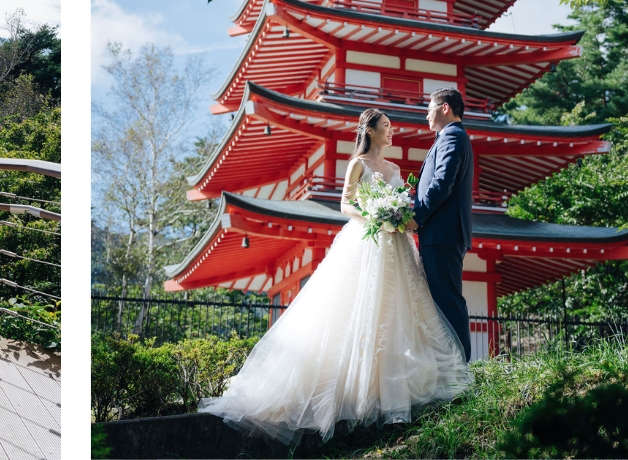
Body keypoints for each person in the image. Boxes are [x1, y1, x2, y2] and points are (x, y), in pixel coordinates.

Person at [199, 108, 471, 445]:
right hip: (368, 239)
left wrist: (398, 216)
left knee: (402, 311)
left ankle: (400, 389)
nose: (391, 131)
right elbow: (346, 205)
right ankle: (358, 392)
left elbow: (407, 200)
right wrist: (376, 213)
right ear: (370, 131)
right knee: (360, 310)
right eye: (386, 126)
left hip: (397, 243)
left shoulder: (396, 169)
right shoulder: (358, 164)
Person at [406, 88, 475, 361]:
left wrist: (417, 215)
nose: (426, 114)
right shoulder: (447, 137)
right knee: (440, 300)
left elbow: (442, 182)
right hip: (440, 232)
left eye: (429, 108)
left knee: (447, 300)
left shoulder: (453, 136)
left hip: (443, 233)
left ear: (444, 107)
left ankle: (459, 366)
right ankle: (449, 364)